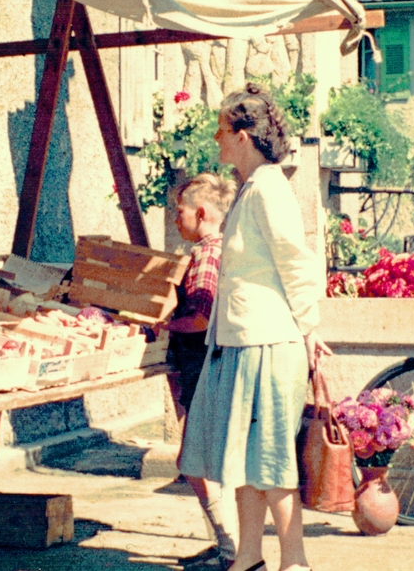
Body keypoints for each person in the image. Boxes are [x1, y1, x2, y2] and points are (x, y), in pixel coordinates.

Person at [179, 84, 332, 571]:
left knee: (270, 464)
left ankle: (295, 563)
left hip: (268, 343)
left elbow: (298, 263)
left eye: (223, 130)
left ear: (244, 135)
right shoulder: (250, 188)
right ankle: (248, 558)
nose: (218, 140)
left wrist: (308, 330)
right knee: (245, 462)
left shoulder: (269, 187)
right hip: (241, 342)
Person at [168, 173, 239, 570]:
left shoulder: (205, 255)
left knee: (194, 462)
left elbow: (198, 317)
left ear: (201, 212)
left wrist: (161, 327)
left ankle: (229, 550)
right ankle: (226, 545)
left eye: (180, 212)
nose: (176, 220)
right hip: (208, 368)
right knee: (202, 461)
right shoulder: (215, 250)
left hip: (204, 368)